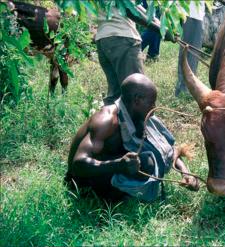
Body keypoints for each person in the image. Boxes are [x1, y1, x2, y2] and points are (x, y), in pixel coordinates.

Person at [65, 73, 199, 202]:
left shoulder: (138, 115)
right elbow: (78, 165)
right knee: (146, 163)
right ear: (137, 100)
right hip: (85, 181)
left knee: (145, 159)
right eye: (151, 103)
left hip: (109, 165)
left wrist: (185, 172)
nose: (154, 108)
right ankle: (115, 199)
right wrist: (118, 165)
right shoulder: (107, 121)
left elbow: (165, 149)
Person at [175, 1, 206, 97]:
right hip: (191, 13)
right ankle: (184, 88)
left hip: (195, 13)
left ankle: (186, 87)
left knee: (192, 52)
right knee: (189, 52)